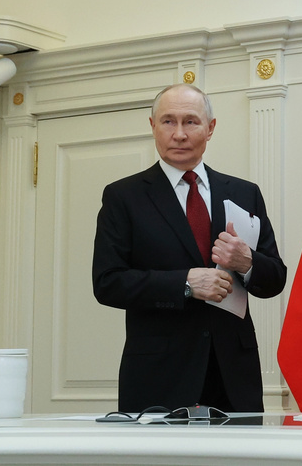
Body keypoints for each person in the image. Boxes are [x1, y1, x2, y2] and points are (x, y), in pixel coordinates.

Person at [92, 83, 286, 413]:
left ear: (210, 128)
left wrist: (246, 261)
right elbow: (107, 283)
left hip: (234, 378)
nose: (179, 134)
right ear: (152, 126)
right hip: (158, 377)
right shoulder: (123, 197)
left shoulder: (244, 193)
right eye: (168, 121)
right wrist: (185, 283)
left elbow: (275, 279)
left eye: (191, 122)